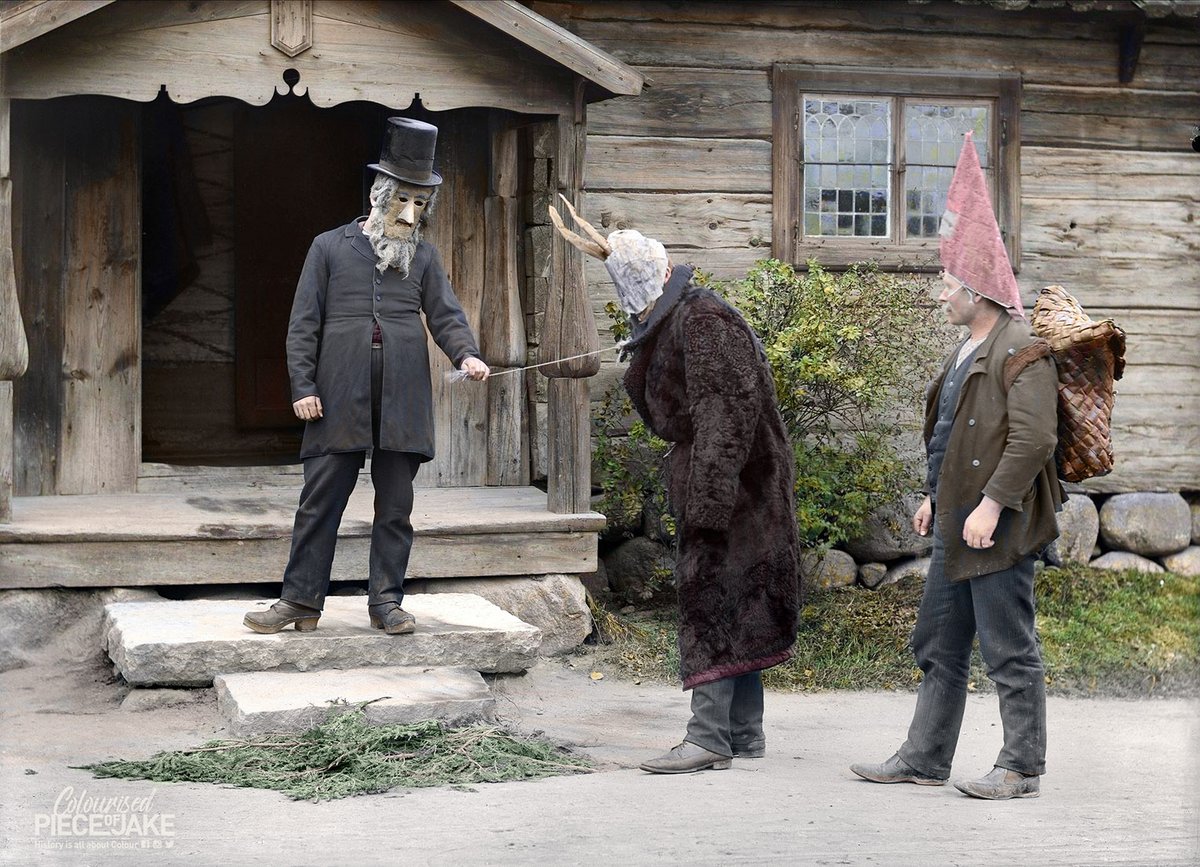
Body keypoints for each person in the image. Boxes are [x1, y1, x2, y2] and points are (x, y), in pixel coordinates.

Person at [550, 197, 801, 773]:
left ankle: (708, 736)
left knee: (713, 592)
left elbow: (726, 414)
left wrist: (708, 506)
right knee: (739, 593)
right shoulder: (678, 319)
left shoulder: (705, 320)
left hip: (737, 488)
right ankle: (743, 730)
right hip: (731, 482)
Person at [850, 132, 1062, 800]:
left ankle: (1021, 765)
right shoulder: (966, 349)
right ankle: (924, 756)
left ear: (975, 287)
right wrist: (934, 497)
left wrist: (991, 505)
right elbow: (950, 432)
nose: (941, 295)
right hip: (956, 524)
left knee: (1009, 647)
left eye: (948, 283)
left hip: (996, 527)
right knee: (939, 641)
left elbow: (1033, 440)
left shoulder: (1020, 347)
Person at [244, 117, 489, 636]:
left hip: (403, 397)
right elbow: (302, 323)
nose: (409, 213)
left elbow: (445, 314)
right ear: (380, 195)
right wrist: (303, 387)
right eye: (402, 200)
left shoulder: (423, 256)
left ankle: (387, 604)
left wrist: (465, 355)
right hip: (336, 395)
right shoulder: (328, 247)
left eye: (420, 204)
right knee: (320, 502)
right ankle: (300, 603)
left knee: (396, 507)